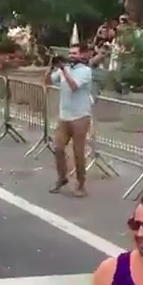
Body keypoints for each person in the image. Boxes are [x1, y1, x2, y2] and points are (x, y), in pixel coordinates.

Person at [44, 43, 93, 197]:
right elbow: (48, 82)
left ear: (82, 55)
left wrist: (64, 70)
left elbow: (74, 86)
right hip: (64, 116)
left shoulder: (86, 71)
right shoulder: (62, 70)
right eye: (70, 53)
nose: (71, 56)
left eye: (75, 53)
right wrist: (51, 67)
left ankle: (81, 184)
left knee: (78, 152)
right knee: (58, 148)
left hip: (80, 116)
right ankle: (62, 178)